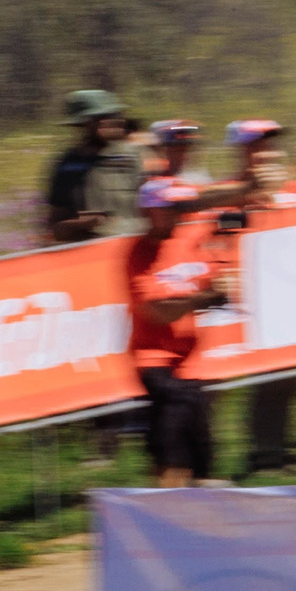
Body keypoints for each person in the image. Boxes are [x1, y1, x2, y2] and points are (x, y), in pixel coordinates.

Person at [212, 121, 296, 474]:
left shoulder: (295, 186)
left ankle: (275, 451)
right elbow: (238, 213)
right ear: (244, 151)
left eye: (273, 144)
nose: (269, 150)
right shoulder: (225, 191)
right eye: (260, 145)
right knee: (238, 383)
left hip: (289, 294)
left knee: (287, 380)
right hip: (246, 298)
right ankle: (245, 457)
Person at [126, 176, 232, 486]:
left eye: (179, 207)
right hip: (154, 359)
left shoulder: (189, 241)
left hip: (191, 361)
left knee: (199, 436)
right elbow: (157, 312)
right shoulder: (138, 254)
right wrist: (203, 297)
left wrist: (220, 285)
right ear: (148, 211)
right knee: (176, 412)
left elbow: (215, 285)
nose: (176, 213)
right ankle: (169, 495)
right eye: (168, 207)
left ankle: (200, 488)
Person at [44, 89, 147, 242]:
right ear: (83, 124)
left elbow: (155, 207)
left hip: (135, 250)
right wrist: (79, 225)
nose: (112, 121)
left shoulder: (132, 157)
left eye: (113, 115)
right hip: (92, 256)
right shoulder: (66, 165)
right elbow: (56, 229)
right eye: (101, 118)